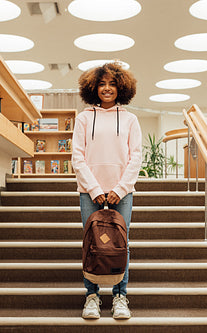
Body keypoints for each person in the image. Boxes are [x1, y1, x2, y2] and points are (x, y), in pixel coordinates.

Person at [71, 61, 142, 319]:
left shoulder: (130, 119)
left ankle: (120, 297)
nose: (107, 88)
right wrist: (94, 189)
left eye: (112, 84)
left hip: (122, 193)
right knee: (92, 243)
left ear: (121, 87)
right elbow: (77, 157)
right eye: (102, 84)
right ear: (93, 88)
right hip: (89, 192)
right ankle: (92, 297)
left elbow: (136, 157)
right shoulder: (83, 118)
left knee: (121, 244)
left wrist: (120, 188)